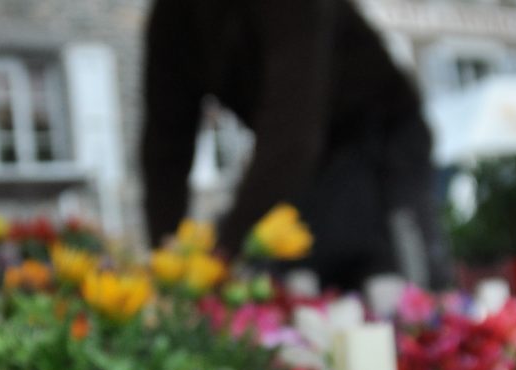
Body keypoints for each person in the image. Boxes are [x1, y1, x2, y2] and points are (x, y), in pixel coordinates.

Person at [140, 0, 452, 290]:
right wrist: (169, 265)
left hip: (385, 132)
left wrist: (224, 252)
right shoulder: (174, 20)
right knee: (308, 278)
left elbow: (291, 134)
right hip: (314, 159)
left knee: (404, 285)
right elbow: (165, 148)